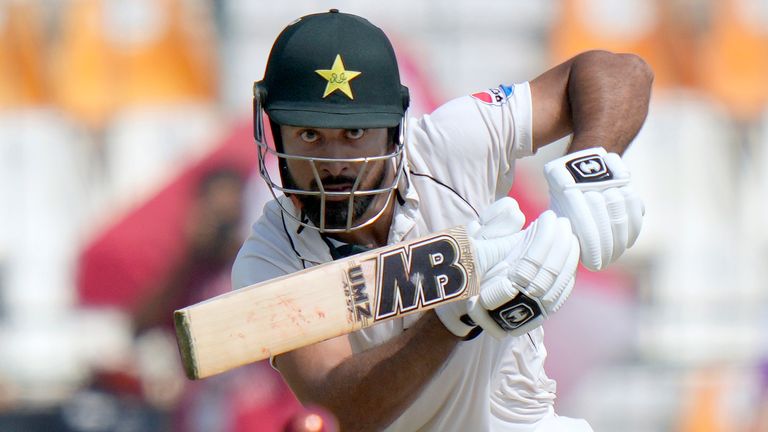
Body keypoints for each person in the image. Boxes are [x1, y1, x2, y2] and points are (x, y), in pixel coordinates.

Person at [233, 9, 651, 432]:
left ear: (395, 127)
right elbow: (341, 413)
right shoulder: (269, 260)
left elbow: (620, 71)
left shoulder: (448, 146)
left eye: (355, 134)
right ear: (274, 129)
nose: (334, 163)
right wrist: (454, 313)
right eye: (309, 135)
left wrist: (589, 164)